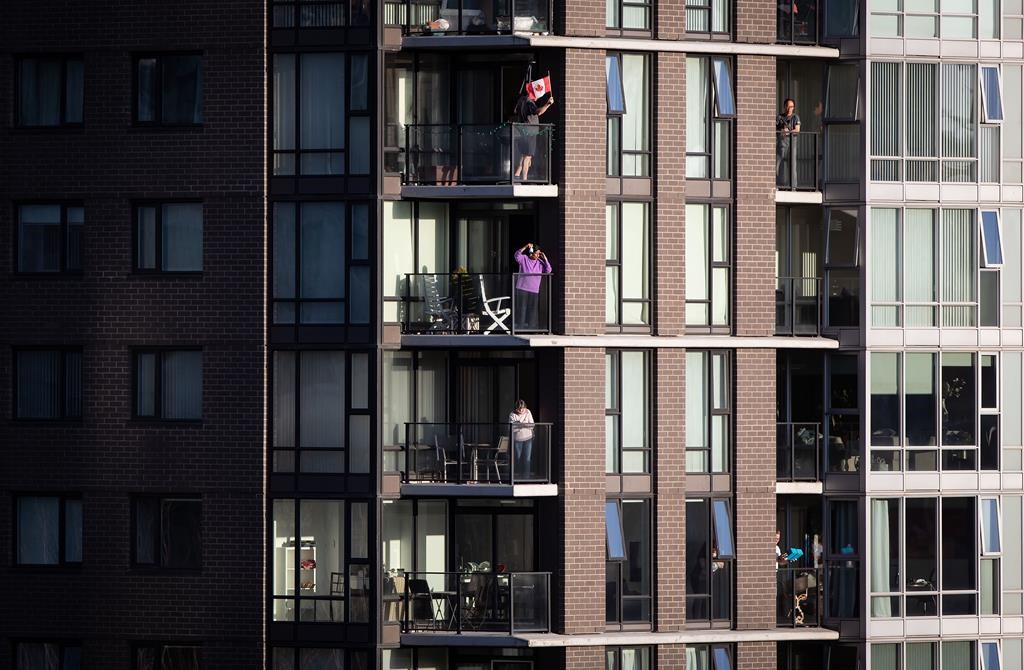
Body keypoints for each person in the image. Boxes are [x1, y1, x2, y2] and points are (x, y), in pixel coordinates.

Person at [513, 92, 555, 181]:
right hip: (530, 132)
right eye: (536, 95)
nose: (537, 97)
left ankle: (516, 175)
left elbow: (515, 111)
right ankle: (524, 179)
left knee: (525, 155)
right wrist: (548, 104)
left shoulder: (522, 100)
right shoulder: (529, 102)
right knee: (528, 156)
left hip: (523, 131)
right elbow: (538, 112)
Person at [513, 243, 553, 331]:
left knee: (532, 310)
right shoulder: (524, 259)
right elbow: (516, 255)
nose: (538, 255)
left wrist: (545, 259)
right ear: (531, 252)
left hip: (534, 290)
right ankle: (520, 329)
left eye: (539, 253)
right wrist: (526, 246)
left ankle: (532, 329)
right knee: (522, 309)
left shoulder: (540, 262)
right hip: (522, 288)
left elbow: (549, 270)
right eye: (537, 253)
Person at [776, 98, 801, 187]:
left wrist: (788, 131)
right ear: (784, 106)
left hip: (792, 143)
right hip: (781, 143)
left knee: (792, 164)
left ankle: (793, 186)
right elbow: (775, 128)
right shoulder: (779, 117)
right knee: (779, 163)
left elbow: (797, 130)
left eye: (792, 107)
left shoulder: (795, 117)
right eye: (788, 106)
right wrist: (781, 130)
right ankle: (779, 184)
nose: (790, 108)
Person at [509, 399, 535, 480]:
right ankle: (518, 476)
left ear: (525, 407)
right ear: (516, 408)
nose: (521, 410)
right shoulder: (512, 415)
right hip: (517, 439)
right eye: (519, 408)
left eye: (522, 408)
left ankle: (526, 477)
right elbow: (511, 428)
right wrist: (523, 425)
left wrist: (520, 424)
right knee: (518, 458)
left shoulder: (528, 412)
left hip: (528, 438)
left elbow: (532, 425)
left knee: (527, 458)